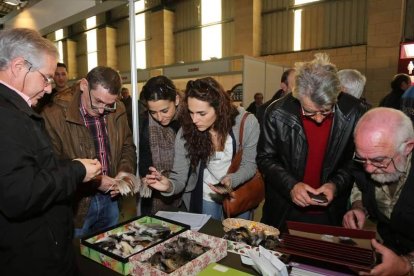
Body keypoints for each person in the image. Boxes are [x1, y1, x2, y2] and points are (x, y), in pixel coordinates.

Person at [0, 28, 102, 275]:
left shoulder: (15, 110)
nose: (48, 88)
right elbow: (21, 194)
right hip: (31, 256)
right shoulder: (6, 116)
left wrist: (71, 164)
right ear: (19, 67)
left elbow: (33, 164)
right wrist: (76, 170)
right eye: (46, 77)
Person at [257, 53, 367, 231]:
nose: (317, 119)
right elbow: (265, 158)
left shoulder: (354, 112)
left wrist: (335, 185)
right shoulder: (276, 113)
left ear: (337, 95)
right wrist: (291, 185)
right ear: (297, 95)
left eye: (325, 111)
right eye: (309, 112)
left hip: (331, 212)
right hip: (285, 208)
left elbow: (356, 161)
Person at [145, 77, 260, 220]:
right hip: (207, 194)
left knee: (238, 238)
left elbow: (249, 165)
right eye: (191, 112)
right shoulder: (186, 131)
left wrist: (231, 181)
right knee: (210, 236)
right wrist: (168, 185)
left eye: (201, 113)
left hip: (239, 192)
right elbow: (179, 177)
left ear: (219, 107)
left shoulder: (247, 122)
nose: (194, 120)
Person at [42, 66, 137, 238]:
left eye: (109, 105)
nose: (101, 110)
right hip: (77, 206)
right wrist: (94, 181)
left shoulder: (119, 108)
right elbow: (51, 166)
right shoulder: (54, 114)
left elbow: (127, 146)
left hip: (111, 199)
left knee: (109, 256)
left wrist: (124, 171)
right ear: (84, 85)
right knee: (78, 259)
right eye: (98, 101)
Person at [342, 108, 414, 276]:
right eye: (361, 158)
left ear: (408, 147)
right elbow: (359, 186)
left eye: (378, 160)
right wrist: (359, 208)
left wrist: (406, 265)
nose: (368, 168)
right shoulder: (367, 160)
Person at [138, 76, 183, 215]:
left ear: (176, 100)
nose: (159, 117)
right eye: (153, 112)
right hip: (154, 194)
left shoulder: (190, 120)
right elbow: (145, 160)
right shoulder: (146, 124)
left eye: (164, 111)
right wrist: (149, 176)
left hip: (187, 193)